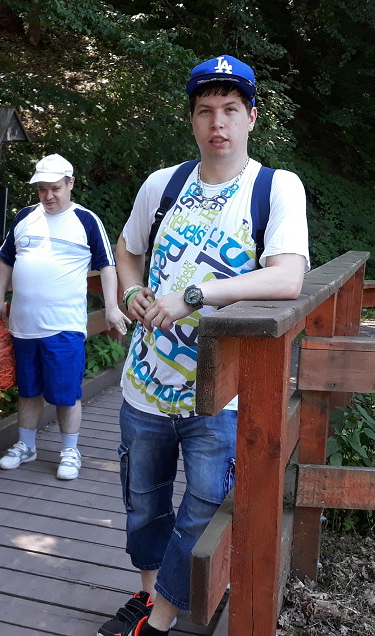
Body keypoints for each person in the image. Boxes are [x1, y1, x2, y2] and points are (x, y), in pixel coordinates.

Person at [99, 55, 310, 636]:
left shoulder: (274, 188)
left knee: (205, 505)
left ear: (252, 117)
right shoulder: (162, 185)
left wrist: (194, 296)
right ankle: (148, 596)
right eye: (206, 111)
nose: (218, 123)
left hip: (223, 393)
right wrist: (133, 291)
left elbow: (287, 277)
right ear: (192, 120)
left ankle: (160, 619)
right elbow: (126, 249)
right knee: (144, 501)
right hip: (144, 384)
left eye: (231, 110)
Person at [0, 154, 129, 480]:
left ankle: (70, 450)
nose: (48, 195)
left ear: (70, 184)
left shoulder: (86, 220)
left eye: (55, 188)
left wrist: (111, 307)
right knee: (28, 390)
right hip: (23, 325)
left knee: (66, 393)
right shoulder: (25, 216)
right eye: (42, 189)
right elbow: (6, 260)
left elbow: (107, 265)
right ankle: (27, 445)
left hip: (64, 326)